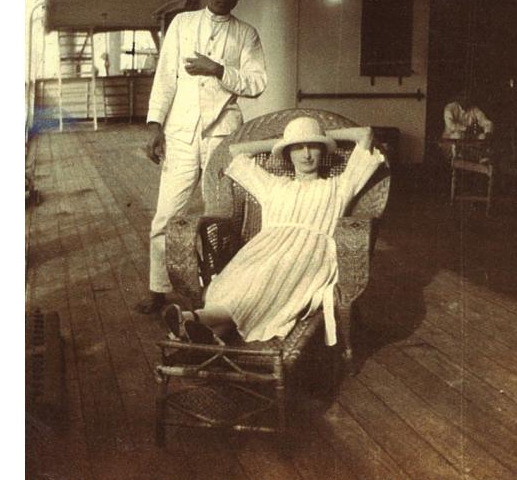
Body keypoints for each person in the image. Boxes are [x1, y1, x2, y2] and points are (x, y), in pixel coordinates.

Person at [161, 116, 384, 347]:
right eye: (298, 148)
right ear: (287, 154)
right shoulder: (273, 185)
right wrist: (284, 141)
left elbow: (365, 133)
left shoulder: (340, 185)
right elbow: (236, 150)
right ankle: (208, 335)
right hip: (264, 248)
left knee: (263, 283)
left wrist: (321, 136)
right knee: (236, 285)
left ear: (323, 150)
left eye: (313, 147)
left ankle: (191, 318)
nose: (306, 154)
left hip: (307, 256)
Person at [137, 0, 268, 314]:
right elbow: (165, 79)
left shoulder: (246, 35)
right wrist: (154, 127)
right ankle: (158, 289)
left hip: (222, 138)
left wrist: (219, 69)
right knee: (167, 214)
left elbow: (257, 83)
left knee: (220, 215)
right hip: (180, 135)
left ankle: (218, 289)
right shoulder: (181, 24)